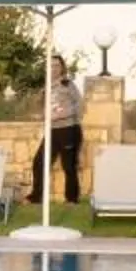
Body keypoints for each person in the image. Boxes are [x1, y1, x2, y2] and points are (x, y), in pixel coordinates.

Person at [35, 54, 85, 205]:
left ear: (62, 67)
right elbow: (43, 107)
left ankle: (71, 199)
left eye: (57, 65)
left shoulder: (68, 84)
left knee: (68, 166)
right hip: (51, 131)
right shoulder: (46, 87)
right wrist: (43, 114)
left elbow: (80, 106)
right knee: (39, 162)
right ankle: (36, 197)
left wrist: (63, 113)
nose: (54, 68)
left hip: (68, 129)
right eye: (51, 65)